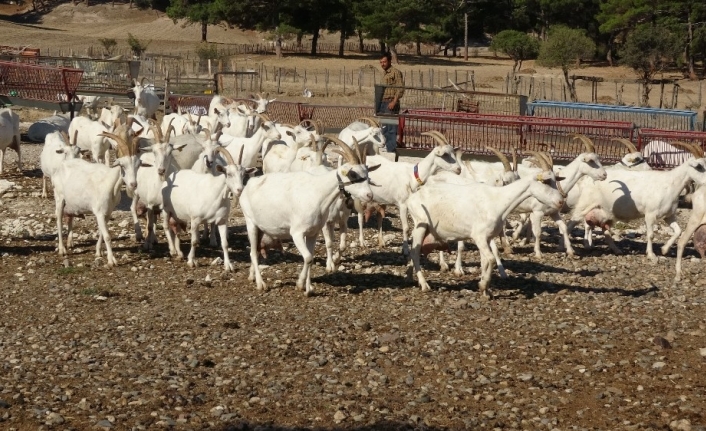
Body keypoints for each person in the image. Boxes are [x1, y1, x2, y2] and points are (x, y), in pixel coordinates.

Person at [378, 52, 405, 154]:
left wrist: (394, 101)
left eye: (384, 62)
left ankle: (391, 150)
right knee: (384, 128)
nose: (382, 64)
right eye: (381, 62)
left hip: (391, 103)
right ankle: (386, 149)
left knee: (391, 128)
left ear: (389, 61)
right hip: (384, 103)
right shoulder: (384, 74)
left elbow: (400, 88)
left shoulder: (395, 72)